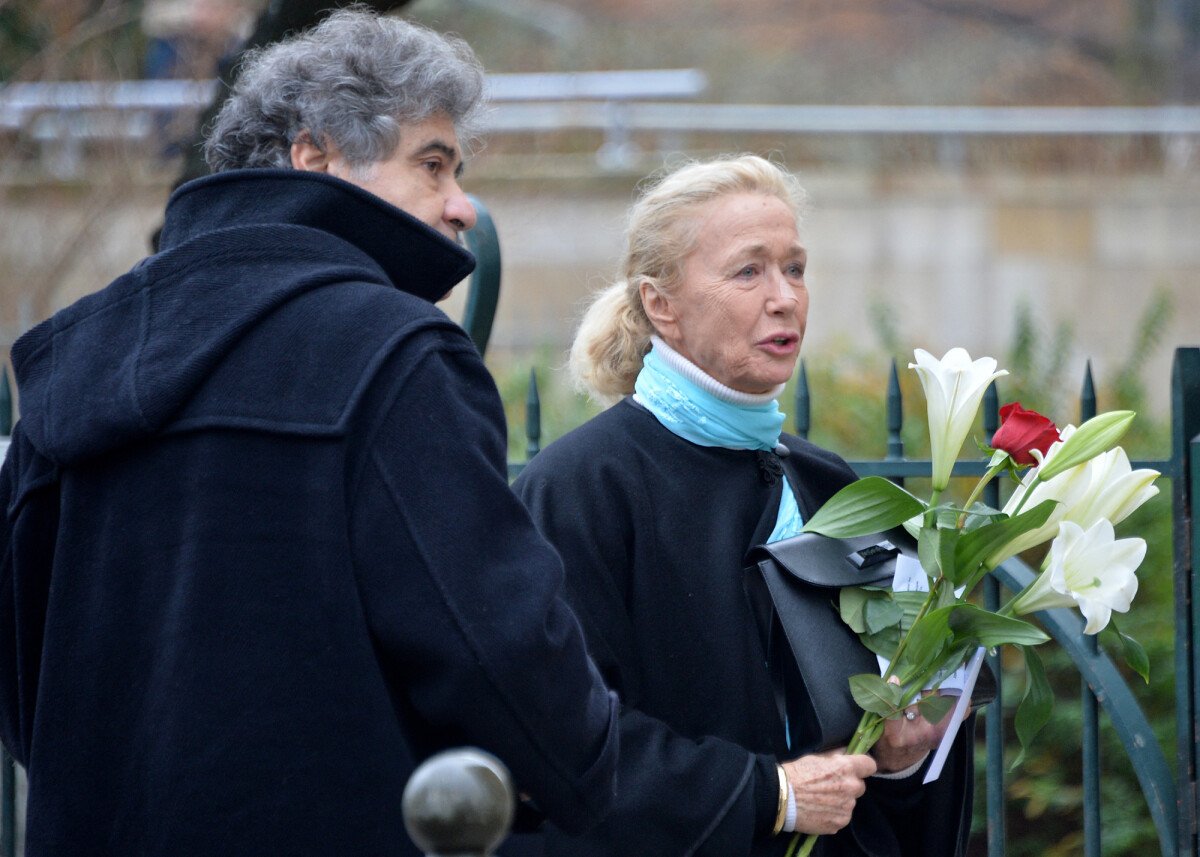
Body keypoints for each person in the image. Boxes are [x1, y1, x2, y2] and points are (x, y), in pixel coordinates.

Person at [0, 10, 618, 855]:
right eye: (432, 165)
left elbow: (19, 673)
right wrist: (591, 775)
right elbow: (497, 650)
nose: (461, 206)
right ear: (316, 155)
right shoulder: (394, 352)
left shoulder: (80, 355)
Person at [513, 155, 974, 856]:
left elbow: (890, 775)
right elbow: (561, 739)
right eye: (748, 271)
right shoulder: (579, 488)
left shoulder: (830, 483)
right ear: (659, 304)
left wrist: (906, 758)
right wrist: (772, 794)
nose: (785, 296)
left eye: (795, 268)